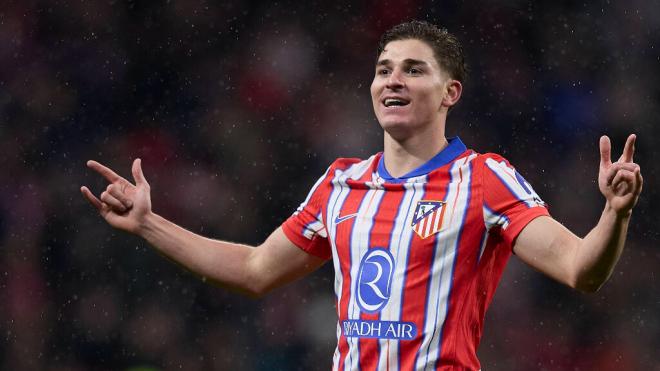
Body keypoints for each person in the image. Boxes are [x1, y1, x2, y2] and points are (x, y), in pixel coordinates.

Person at [81, 20, 643, 371]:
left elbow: (579, 269)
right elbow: (254, 269)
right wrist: (151, 224)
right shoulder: (341, 182)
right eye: (382, 69)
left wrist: (614, 215)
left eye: (413, 69)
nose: (391, 80)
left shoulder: (485, 178)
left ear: (450, 93)